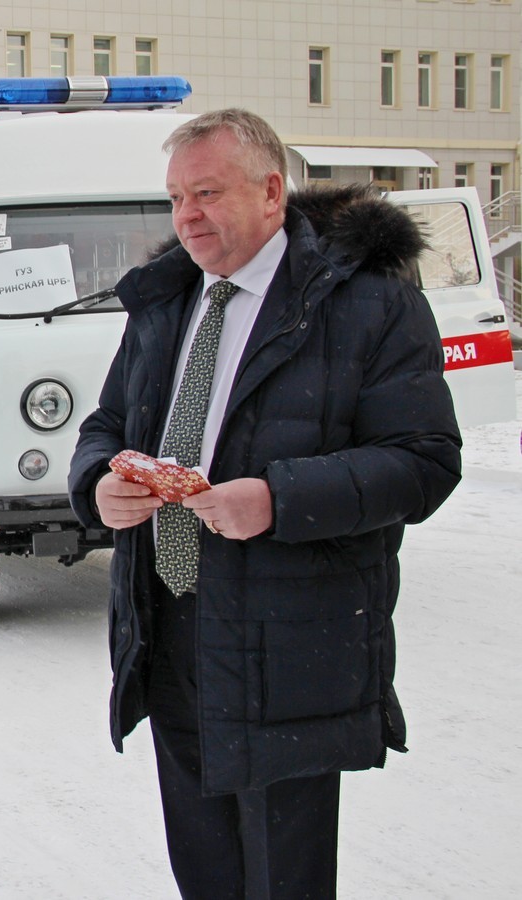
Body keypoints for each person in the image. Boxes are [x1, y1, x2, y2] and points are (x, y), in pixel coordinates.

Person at [68, 109, 462, 899]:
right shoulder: (166, 302)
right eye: (176, 197)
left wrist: (279, 500)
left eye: (207, 193)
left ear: (271, 192)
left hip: (289, 647)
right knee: (205, 870)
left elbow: (423, 462)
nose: (186, 216)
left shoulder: (367, 304)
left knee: (285, 878)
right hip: (169, 627)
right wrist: (97, 486)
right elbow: (106, 424)